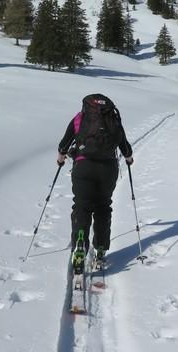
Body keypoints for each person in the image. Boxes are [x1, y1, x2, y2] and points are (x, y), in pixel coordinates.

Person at [57, 94, 133, 273]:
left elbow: (64, 143)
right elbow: (124, 144)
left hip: (83, 167)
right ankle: (100, 248)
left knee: (82, 206)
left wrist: (61, 158)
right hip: (108, 169)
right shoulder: (112, 119)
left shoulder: (79, 118)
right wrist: (129, 158)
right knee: (103, 207)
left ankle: (80, 244)